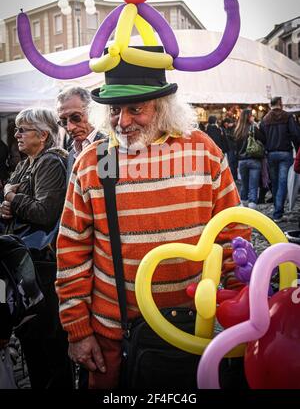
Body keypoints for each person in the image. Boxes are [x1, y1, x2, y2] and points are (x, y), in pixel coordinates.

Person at [56, 47, 251, 389]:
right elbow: (72, 249)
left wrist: (244, 305)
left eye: (136, 109)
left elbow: (233, 233)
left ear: (162, 108)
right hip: (112, 336)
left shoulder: (202, 151)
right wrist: (78, 330)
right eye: (115, 110)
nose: (123, 121)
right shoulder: (99, 159)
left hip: (189, 330)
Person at [0, 107, 73, 389]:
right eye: (17, 128)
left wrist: (11, 198)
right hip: (27, 263)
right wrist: (7, 200)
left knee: (47, 345)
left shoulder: (49, 162)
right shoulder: (28, 161)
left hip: (41, 264)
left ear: (42, 135)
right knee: (32, 342)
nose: (16, 134)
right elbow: (9, 191)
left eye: (23, 129)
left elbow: (44, 212)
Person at [260, 97, 300, 222]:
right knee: (283, 182)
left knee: (276, 182)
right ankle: (278, 212)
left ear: (270, 104)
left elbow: (262, 137)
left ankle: (277, 209)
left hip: (271, 154)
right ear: (280, 104)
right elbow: (295, 134)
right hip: (285, 152)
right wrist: (298, 148)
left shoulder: (265, 119)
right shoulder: (287, 117)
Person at [56, 87, 105, 182]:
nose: (70, 128)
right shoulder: (71, 153)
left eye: (76, 117)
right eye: (63, 122)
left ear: (92, 112)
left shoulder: (110, 146)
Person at [234, 108, 265, 209]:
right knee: (253, 185)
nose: (253, 117)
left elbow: (236, 147)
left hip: (242, 161)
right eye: (251, 115)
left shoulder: (238, 130)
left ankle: (243, 205)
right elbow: (263, 139)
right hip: (254, 160)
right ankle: (252, 206)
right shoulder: (253, 128)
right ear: (248, 117)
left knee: (244, 185)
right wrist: (256, 125)